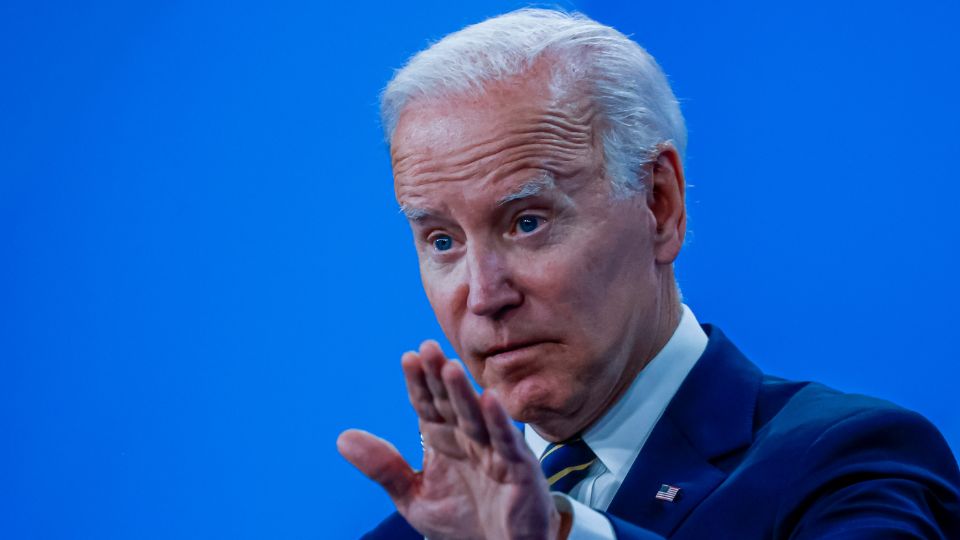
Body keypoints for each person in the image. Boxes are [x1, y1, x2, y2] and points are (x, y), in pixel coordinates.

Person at [337, 8, 960, 539]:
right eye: (442, 240)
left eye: (527, 222)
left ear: (659, 204)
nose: (483, 295)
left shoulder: (851, 462)